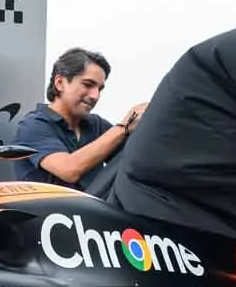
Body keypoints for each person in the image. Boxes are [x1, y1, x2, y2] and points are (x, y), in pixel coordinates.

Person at [12, 47, 145, 188]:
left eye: (100, 89)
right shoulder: (33, 126)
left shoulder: (96, 125)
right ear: (60, 83)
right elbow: (69, 170)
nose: (95, 96)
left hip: (96, 208)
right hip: (48, 209)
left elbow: (138, 159)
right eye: (88, 85)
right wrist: (124, 127)